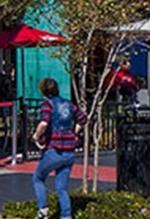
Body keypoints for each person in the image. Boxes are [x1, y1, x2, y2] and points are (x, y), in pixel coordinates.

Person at [32, 77, 87, 219]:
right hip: (69, 152)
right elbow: (83, 119)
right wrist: (74, 132)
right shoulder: (68, 104)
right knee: (62, 188)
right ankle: (66, 215)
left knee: (38, 177)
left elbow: (44, 123)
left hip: (54, 149)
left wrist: (36, 136)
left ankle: (43, 209)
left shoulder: (47, 104)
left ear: (44, 90)